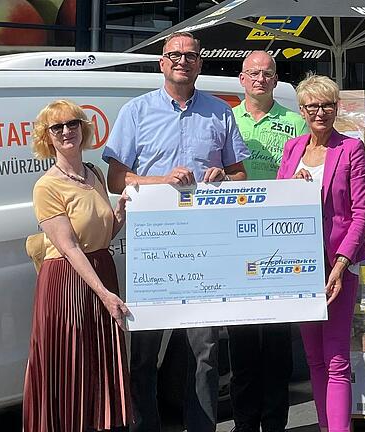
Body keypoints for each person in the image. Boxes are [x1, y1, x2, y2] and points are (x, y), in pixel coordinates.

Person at [103, 31, 249, 432]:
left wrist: (225, 175)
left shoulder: (221, 112)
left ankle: (200, 427)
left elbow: (240, 172)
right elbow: (116, 179)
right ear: (161, 63)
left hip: (207, 248)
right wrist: (161, 181)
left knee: (205, 352)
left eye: (190, 55)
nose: (182, 61)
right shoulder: (136, 112)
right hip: (155, 248)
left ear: (200, 64)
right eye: (174, 55)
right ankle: (145, 426)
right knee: (145, 351)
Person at [24, 99, 132, 432]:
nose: (66, 131)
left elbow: (103, 234)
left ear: (83, 129)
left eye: (72, 124)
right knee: (73, 365)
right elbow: (69, 248)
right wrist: (105, 293)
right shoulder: (46, 186)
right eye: (57, 127)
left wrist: (123, 210)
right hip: (69, 283)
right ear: (47, 137)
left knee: (98, 366)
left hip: (99, 270)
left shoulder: (95, 173)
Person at [276, 75, 365, 432]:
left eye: (327, 105)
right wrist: (290, 187)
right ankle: (323, 426)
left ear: (336, 108)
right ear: (301, 110)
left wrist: (343, 262)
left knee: (335, 360)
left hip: (337, 267)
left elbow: (362, 212)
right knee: (314, 359)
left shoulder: (350, 149)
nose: (320, 112)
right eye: (313, 106)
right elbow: (278, 202)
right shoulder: (292, 149)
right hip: (300, 266)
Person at [228, 50, 307, 432]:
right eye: (252, 73)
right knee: (241, 337)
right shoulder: (225, 120)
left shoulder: (295, 122)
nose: (259, 79)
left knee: (277, 340)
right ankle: (244, 423)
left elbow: (310, 168)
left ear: (276, 80)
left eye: (267, 73)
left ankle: (276, 422)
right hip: (235, 237)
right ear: (241, 79)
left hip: (281, 237)